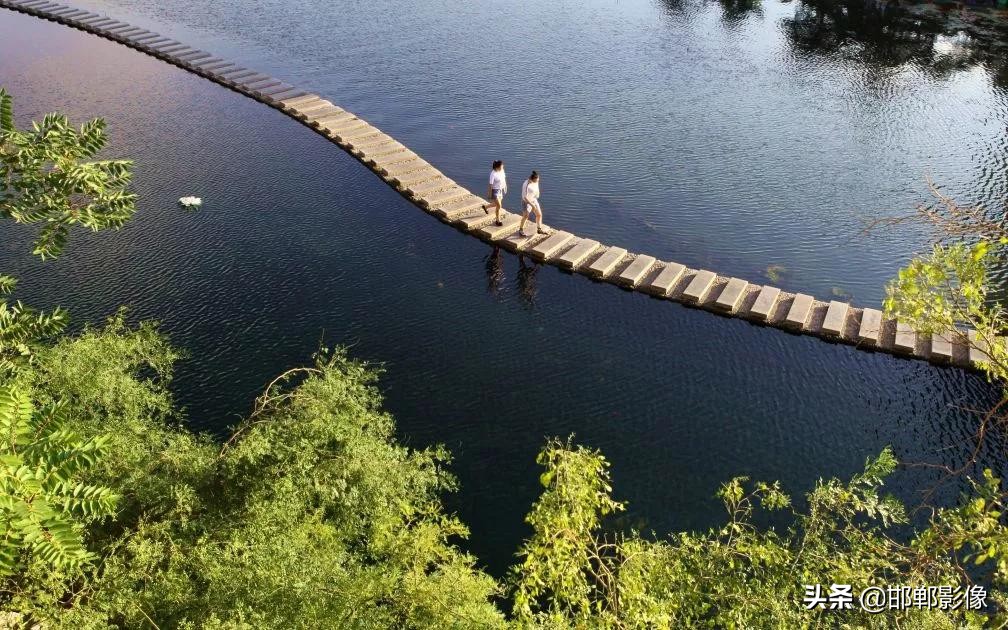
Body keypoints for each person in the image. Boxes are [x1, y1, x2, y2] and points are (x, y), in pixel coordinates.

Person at [519, 171, 546, 236]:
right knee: (526, 216)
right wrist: (531, 205)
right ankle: (521, 229)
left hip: (534, 200)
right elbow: (524, 197)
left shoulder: (536, 182)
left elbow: (536, 189)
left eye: (538, 179)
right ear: (532, 179)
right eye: (537, 179)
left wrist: (537, 195)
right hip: (526, 202)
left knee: (539, 215)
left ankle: (539, 229)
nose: (538, 180)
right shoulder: (526, 184)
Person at [483, 160, 507, 226]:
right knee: (499, 205)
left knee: (496, 205)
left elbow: (504, 178)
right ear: (497, 167)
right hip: (495, 191)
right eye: (502, 166)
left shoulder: (501, 171)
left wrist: (505, 187)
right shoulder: (493, 174)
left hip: (500, 190)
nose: (503, 167)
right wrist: (490, 194)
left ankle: (485, 207)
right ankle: (497, 220)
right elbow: (490, 184)